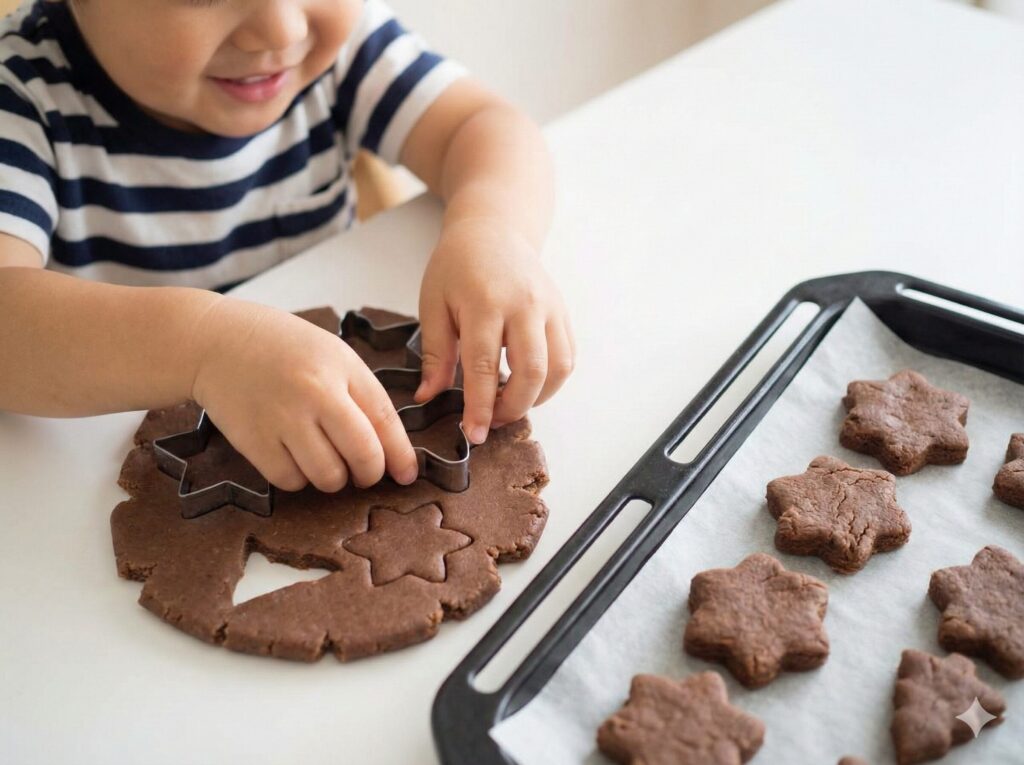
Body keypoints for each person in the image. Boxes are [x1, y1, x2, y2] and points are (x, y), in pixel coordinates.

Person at [0, 0, 574, 494]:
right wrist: (207, 348)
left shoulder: (341, 51)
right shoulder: (21, 95)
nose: (281, 30)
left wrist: (494, 229)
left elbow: (481, 124)